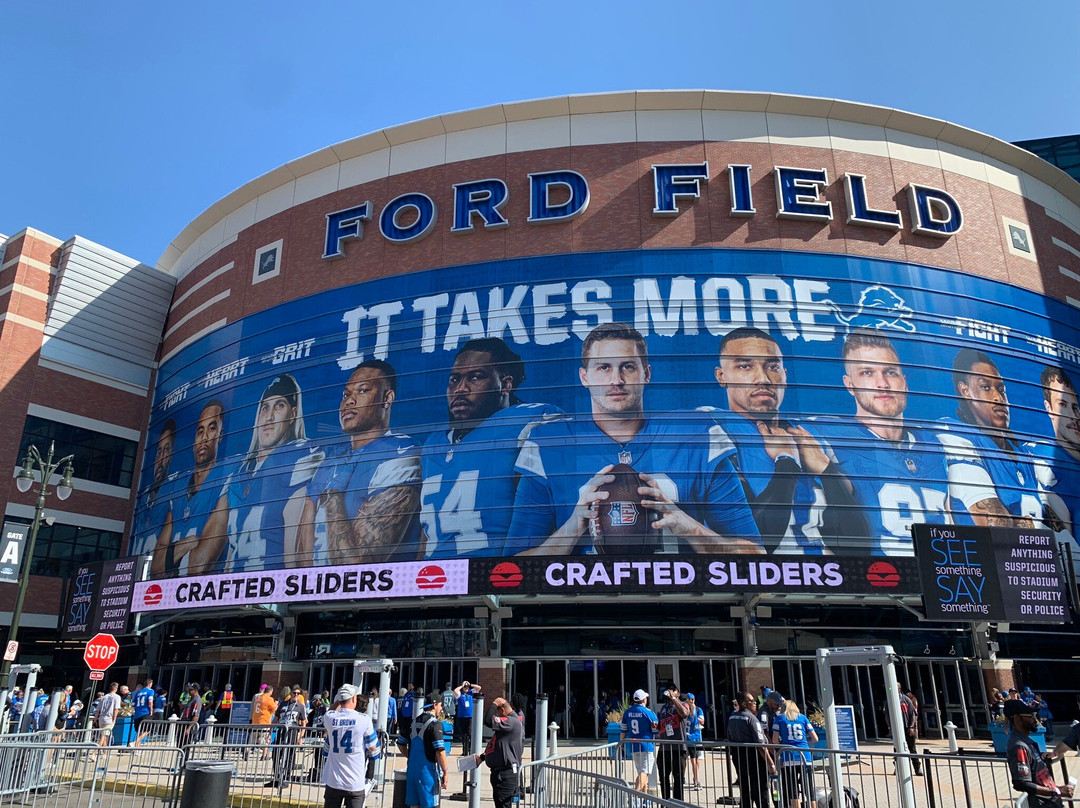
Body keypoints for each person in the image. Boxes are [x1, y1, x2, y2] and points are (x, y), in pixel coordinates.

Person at [509, 322, 762, 555]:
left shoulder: (695, 434)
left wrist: (688, 526)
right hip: (582, 601)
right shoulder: (548, 443)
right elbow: (512, 569)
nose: (616, 380)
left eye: (627, 367)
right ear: (584, 377)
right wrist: (573, 527)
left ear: (646, 374)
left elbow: (756, 555)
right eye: (603, 367)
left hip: (682, 601)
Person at [822, 329, 975, 555]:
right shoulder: (829, 439)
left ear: (904, 381)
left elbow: (955, 523)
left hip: (937, 582)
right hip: (873, 582)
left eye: (890, 372)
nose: (882, 383)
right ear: (849, 384)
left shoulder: (936, 443)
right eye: (867, 373)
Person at [704, 326, 855, 553]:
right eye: (745, 366)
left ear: (785, 374)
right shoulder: (712, 430)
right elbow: (754, 543)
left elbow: (856, 545)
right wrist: (787, 461)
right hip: (758, 583)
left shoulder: (811, 436)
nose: (763, 379)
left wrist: (826, 470)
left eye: (772, 367)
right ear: (721, 376)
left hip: (827, 580)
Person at [421, 337, 560, 557]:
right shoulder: (433, 444)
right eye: (454, 380)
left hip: (501, 578)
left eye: (475, 378)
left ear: (505, 384)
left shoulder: (531, 421)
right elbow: (427, 535)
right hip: (436, 580)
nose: (460, 389)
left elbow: (554, 511)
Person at [297, 360, 421, 566]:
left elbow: (356, 566)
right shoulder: (332, 460)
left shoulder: (401, 454)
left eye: (362, 391)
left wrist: (334, 495)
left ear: (387, 398)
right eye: (346, 394)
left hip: (377, 595)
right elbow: (303, 552)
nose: (349, 401)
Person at [228, 374, 323, 571]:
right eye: (265, 408)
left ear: (293, 414)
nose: (269, 416)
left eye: (279, 406)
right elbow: (231, 549)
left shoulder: (298, 455)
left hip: (275, 583)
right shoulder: (239, 472)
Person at [942, 349, 1040, 528]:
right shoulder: (958, 438)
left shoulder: (1023, 454)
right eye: (986, 387)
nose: (998, 398)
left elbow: (1061, 533)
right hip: (990, 556)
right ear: (965, 391)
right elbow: (997, 528)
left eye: (1001, 390)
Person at [152, 400, 231, 575]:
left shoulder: (226, 481)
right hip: (168, 595)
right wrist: (189, 542)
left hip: (207, 597)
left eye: (211, 429)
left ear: (220, 435)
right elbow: (155, 569)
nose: (204, 438)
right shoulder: (178, 488)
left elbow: (199, 565)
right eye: (200, 431)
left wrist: (171, 553)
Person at [1029, 366, 1080, 547]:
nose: (1073, 416)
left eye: (1075, 407)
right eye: (1062, 405)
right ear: (1048, 407)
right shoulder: (1038, 463)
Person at [1004, 699, 1073, 807]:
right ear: (1017, 718)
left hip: (1051, 802)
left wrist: (1042, 758)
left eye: (1035, 715)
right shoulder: (1019, 745)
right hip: (1043, 804)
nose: (1035, 720)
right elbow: (1021, 783)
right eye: (1031, 716)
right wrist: (1057, 791)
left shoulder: (1026, 741)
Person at [322, 684, 380, 808]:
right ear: (354, 698)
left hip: (333, 780)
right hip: (354, 780)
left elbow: (330, 711)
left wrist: (339, 699)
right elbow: (372, 747)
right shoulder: (364, 719)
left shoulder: (330, 718)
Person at [133, 420, 177, 556]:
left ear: (171, 456)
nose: (160, 459)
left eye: (166, 451)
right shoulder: (143, 499)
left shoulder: (174, 491)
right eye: (159, 452)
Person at [397, 697, 450, 808]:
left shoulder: (413, 722)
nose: (441, 708)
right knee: (429, 804)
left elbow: (400, 743)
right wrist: (445, 771)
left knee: (413, 805)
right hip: (427, 773)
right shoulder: (435, 725)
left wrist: (409, 756)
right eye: (440, 705)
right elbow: (440, 751)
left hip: (412, 771)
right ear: (435, 705)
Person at [727, 691, 776, 808]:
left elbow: (729, 738)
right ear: (744, 703)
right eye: (752, 701)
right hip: (754, 758)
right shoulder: (751, 718)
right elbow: (760, 744)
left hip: (738, 756)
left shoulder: (732, 717)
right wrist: (771, 763)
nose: (755, 703)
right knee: (761, 788)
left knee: (745, 788)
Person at [478, 696, 525, 808]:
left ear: (502, 710)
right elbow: (500, 746)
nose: (497, 716)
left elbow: (488, 720)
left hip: (506, 773)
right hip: (500, 773)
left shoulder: (511, 721)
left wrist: (494, 703)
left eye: (497, 713)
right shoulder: (507, 726)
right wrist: (483, 757)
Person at [771, 699, 818, 808]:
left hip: (788, 756)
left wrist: (783, 742)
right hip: (805, 756)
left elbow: (774, 740)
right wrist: (805, 741)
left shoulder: (779, 718)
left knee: (793, 789)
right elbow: (815, 738)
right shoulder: (802, 718)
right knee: (809, 788)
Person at [265, 685, 309, 788]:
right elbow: (275, 719)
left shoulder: (300, 707)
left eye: (298, 694)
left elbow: (303, 723)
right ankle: (276, 777)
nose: (296, 695)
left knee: (289, 755)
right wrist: (270, 733)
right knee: (276, 754)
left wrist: (300, 737)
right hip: (281, 731)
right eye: (294, 693)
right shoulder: (283, 704)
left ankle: (286, 778)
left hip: (292, 732)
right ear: (291, 694)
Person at [655, 685, 690, 801]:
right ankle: (665, 801)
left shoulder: (683, 704)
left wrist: (674, 699)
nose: (669, 692)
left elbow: (684, 713)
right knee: (663, 777)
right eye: (668, 690)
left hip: (678, 748)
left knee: (678, 777)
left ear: (678, 693)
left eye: (673, 690)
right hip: (664, 748)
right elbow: (662, 726)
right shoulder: (664, 708)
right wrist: (656, 726)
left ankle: (677, 803)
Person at [620, 689, 658, 792]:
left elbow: (623, 730)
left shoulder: (627, 712)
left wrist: (621, 744)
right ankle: (635, 796)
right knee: (644, 773)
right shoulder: (648, 712)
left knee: (642, 773)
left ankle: (644, 799)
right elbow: (656, 729)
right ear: (644, 699)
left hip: (634, 746)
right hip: (646, 745)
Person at [89, 682, 122, 760]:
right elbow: (116, 709)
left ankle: (105, 753)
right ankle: (94, 753)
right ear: (116, 689)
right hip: (109, 718)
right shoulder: (117, 697)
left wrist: (95, 719)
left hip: (101, 718)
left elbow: (98, 710)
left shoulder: (104, 697)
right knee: (103, 736)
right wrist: (114, 719)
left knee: (104, 736)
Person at [684, 693, 705, 789]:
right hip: (686, 737)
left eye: (692, 700)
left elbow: (702, 721)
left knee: (695, 760)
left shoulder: (698, 709)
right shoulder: (684, 709)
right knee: (684, 759)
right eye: (688, 700)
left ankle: (695, 779)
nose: (691, 702)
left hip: (696, 737)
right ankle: (683, 777)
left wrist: (694, 713)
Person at [252, 684, 278, 761]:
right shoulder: (269, 699)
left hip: (255, 720)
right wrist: (276, 704)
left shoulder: (258, 698)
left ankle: (246, 752)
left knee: (252, 739)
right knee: (265, 740)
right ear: (271, 691)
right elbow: (274, 708)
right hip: (264, 721)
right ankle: (264, 755)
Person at [899, 691, 921, 776]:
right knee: (898, 749)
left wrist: (912, 727)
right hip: (898, 729)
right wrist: (889, 727)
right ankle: (898, 768)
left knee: (912, 748)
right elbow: (886, 714)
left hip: (907, 727)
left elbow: (913, 714)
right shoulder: (890, 700)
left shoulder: (906, 699)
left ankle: (917, 768)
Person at [454, 681, 478, 754]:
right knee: (463, 734)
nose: (466, 688)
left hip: (469, 716)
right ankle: (464, 750)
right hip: (462, 716)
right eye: (465, 687)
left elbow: (479, 687)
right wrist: (462, 685)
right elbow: (455, 690)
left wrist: (470, 684)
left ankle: (470, 749)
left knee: (469, 733)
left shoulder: (471, 693)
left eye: (467, 687)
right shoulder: (460, 694)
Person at [130, 679, 155, 747]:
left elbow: (133, 704)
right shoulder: (150, 691)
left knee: (139, 731)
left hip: (137, 713)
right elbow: (150, 701)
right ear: (150, 684)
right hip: (145, 712)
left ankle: (137, 749)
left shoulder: (138, 692)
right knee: (147, 730)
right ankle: (135, 742)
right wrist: (151, 710)